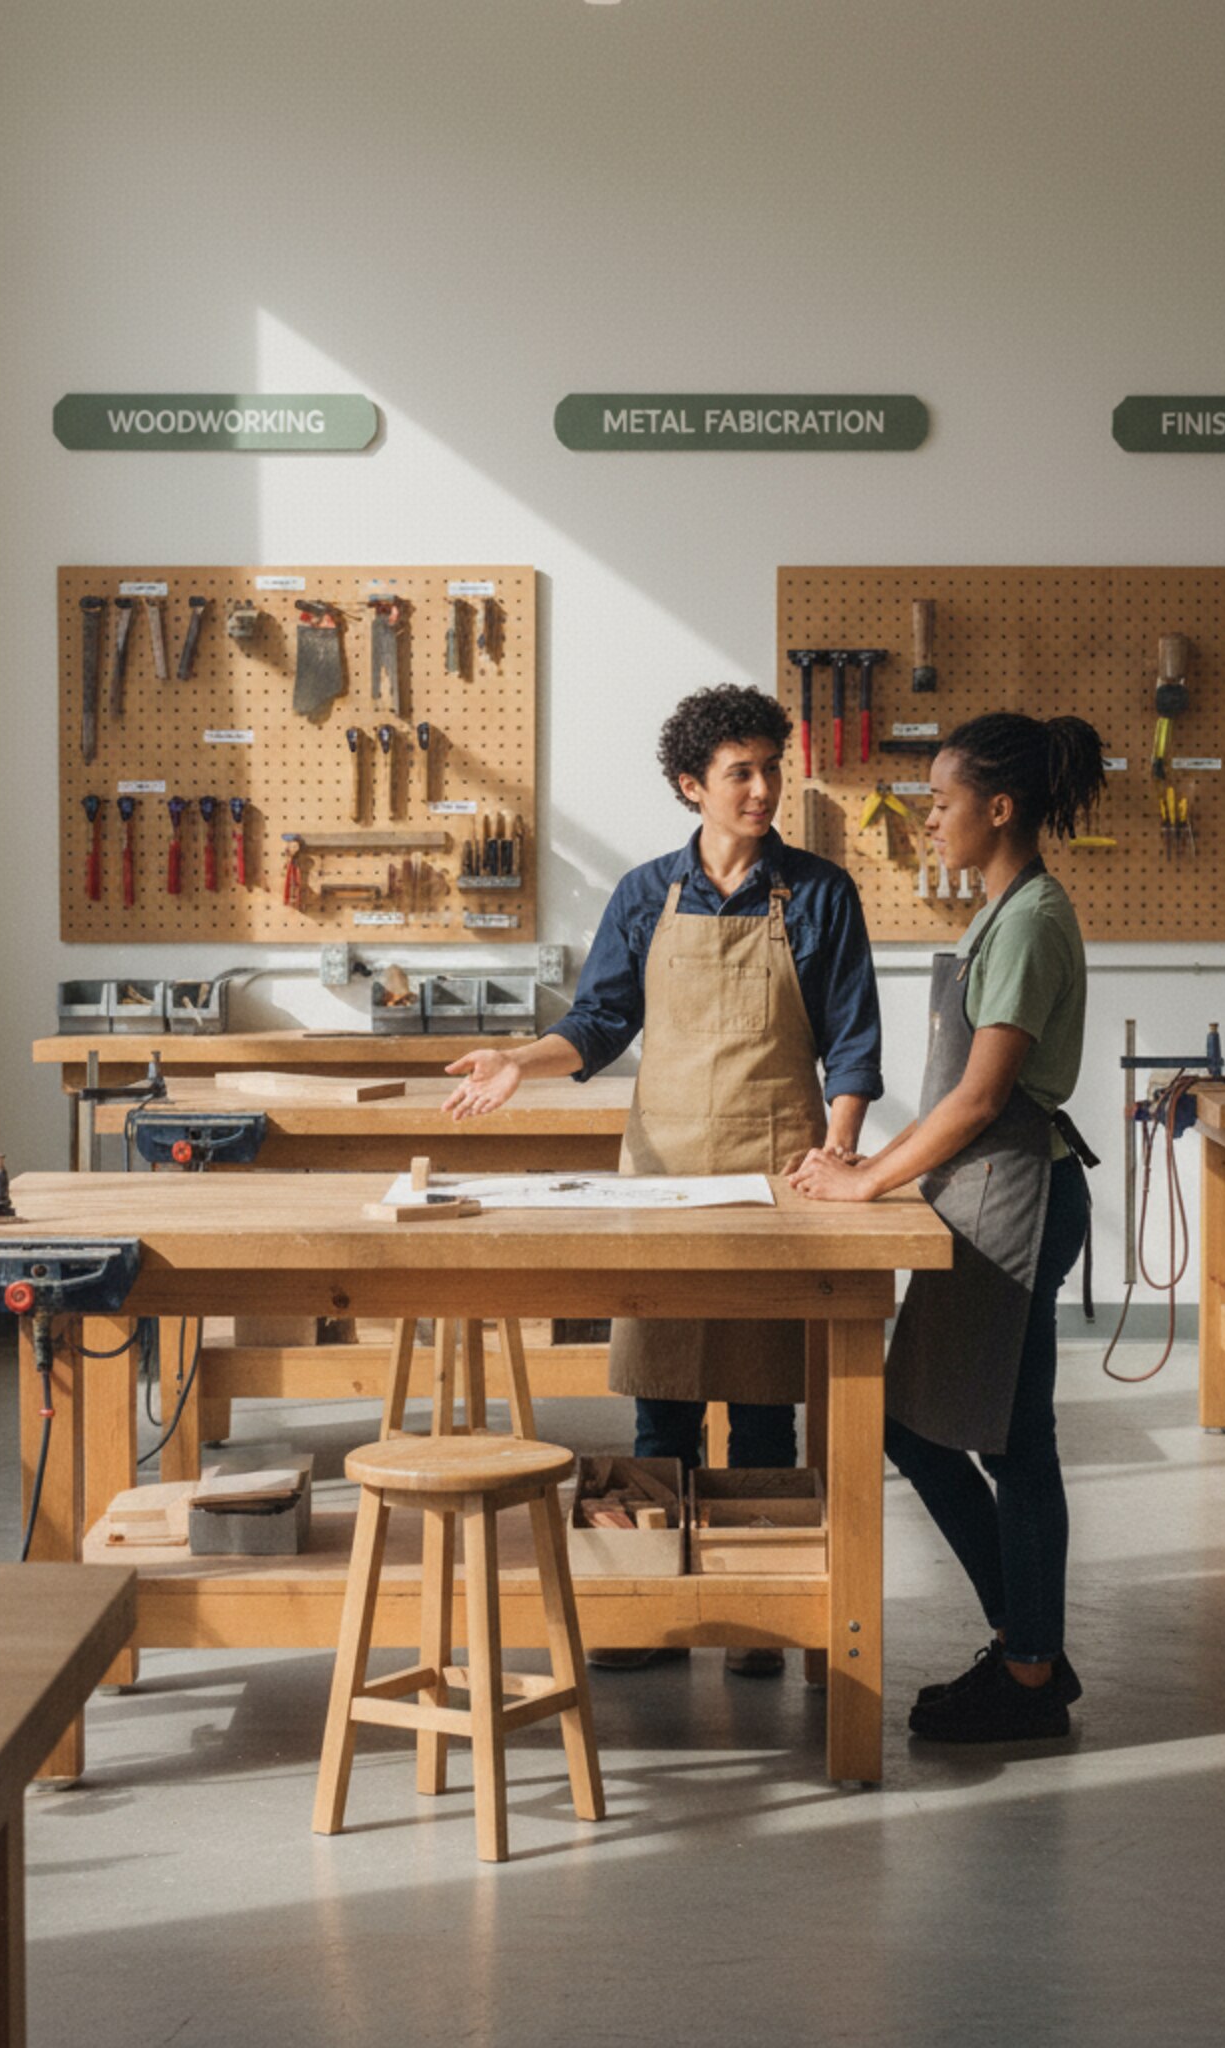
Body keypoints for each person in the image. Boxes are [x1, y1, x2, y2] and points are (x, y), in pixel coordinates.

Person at [442, 683, 883, 1675]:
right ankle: (654, 1611)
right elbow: (598, 1023)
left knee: (765, 1399)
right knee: (662, 1395)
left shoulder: (818, 893)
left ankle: (759, 1613)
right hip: (663, 1174)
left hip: (777, 1171)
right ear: (691, 785)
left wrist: (840, 1145)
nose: (762, 789)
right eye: (740, 772)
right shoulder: (647, 894)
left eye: (771, 768)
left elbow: (853, 1040)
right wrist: (520, 1060)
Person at [790, 711, 1105, 1741]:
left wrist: (866, 1184)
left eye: (940, 801)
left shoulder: (1030, 919)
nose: (928, 819)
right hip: (982, 1195)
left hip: (1014, 1200)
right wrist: (869, 1166)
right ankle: (1026, 1647)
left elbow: (978, 1098)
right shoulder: (1001, 912)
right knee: (929, 1426)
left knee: (1011, 1445)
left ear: (997, 809)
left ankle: (1028, 1671)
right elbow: (957, 1101)